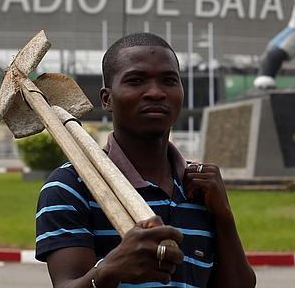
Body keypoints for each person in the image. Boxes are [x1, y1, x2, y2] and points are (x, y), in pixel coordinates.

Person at [35, 32, 256, 288]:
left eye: (169, 80)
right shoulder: (69, 186)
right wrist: (108, 271)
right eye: (136, 81)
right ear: (107, 99)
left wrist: (223, 216)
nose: (155, 92)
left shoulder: (200, 189)